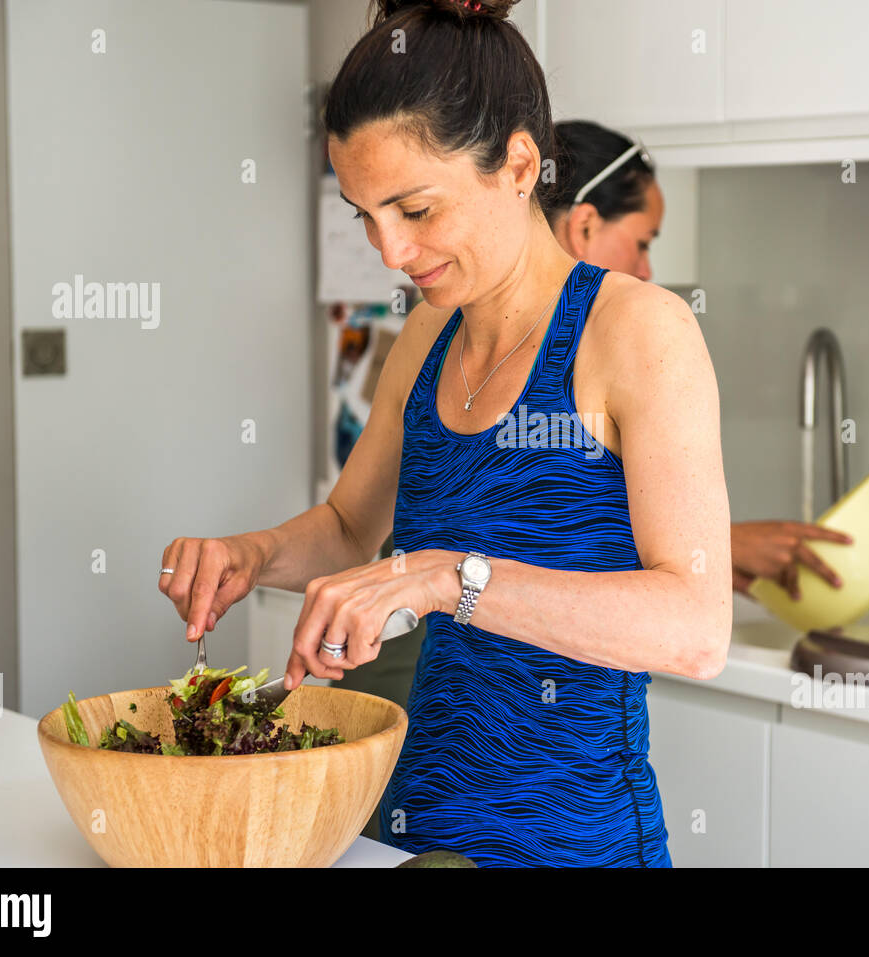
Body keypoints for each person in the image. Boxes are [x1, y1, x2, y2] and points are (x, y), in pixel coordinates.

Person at [157, 0, 729, 867]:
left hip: (575, 845)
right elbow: (352, 527)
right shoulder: (428, 336)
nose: (390, 251)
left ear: (519, 165)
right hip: (416, 834)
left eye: (415, 210)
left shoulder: (638, 333)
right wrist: (253, 552)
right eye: (365, 215)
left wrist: (444, 577)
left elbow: (695, 626)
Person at [544, 119, 854, 599]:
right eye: (643, 242)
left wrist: (689, 562)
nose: (647, 271)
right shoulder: (490, 349)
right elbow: (512, 535)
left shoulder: (578, 349)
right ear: (584, 225)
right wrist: (711, 547)